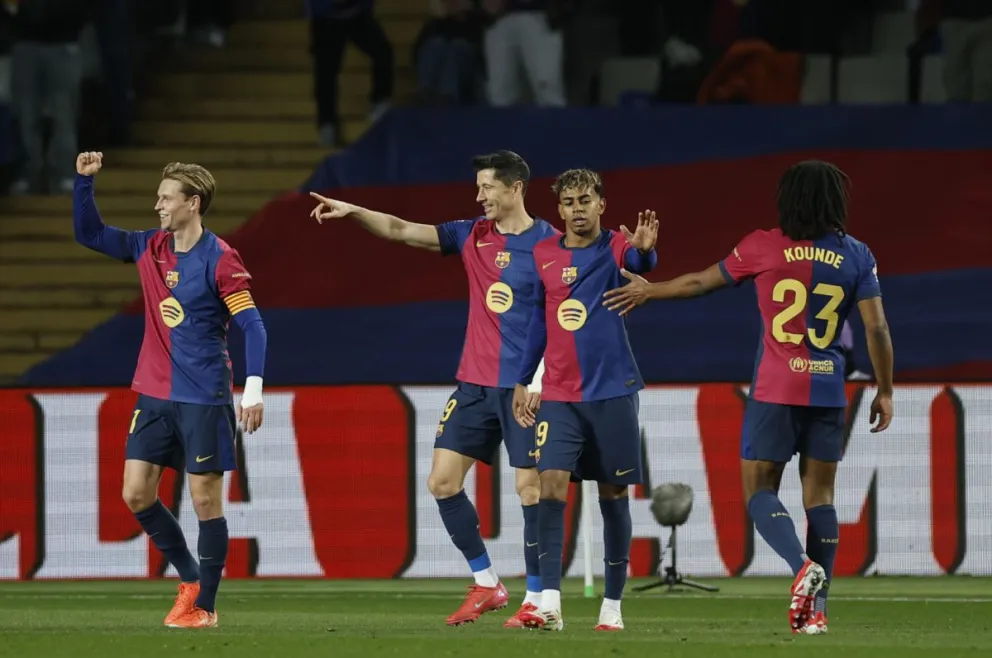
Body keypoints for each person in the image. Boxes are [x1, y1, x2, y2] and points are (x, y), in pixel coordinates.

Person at [602, 159, 894, 635]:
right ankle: (814, 613)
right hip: (828, 388)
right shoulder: (857, 255)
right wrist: (884, 391)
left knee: (760, 491)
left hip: (776, 390)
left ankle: (802, 567)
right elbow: (876, 327)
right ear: (834, 203)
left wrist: (650, 291)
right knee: (820, 497)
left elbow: (700, 282)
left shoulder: (762, 245)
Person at [309, 150, 557, 627]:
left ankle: (536, 598)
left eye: (487, 186)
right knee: (442, 482)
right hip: (474, 386)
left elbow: (560, 323)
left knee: (530, 489)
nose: (479, 195)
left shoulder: (550, 245)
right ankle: (487, 583)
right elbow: (403, 229)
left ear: (515, 188)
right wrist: (355, 212)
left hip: (524, 388)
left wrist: (538, 380)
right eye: (479, 186)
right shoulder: (471, 234)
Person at [72, 151, 268, 629]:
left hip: (204, 397)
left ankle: (205, 607)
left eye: (166, 198)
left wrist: (254, 389)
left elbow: (254, 327)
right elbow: (90, 234)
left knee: (204, 499)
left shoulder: (221, 259)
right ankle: (191, 579)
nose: (158, 206)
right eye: (159, 197)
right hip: (155, 394)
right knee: (136, 494)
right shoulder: (148, 247)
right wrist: (83, 185)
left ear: (192, 203)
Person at [511, 168, 659, 632]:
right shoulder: (543, 254)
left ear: (601, 205)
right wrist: (523, 379)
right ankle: (550, 604)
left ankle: (612, 607)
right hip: (559, 396)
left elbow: (640, 261)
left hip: (613, 393)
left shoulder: (614, 245)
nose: (577, 209)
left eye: (585, 200)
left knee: (613, 497)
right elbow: (539, 321)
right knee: (549, 484)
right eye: (569, 202)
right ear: (559, 210)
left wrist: (646, 251)